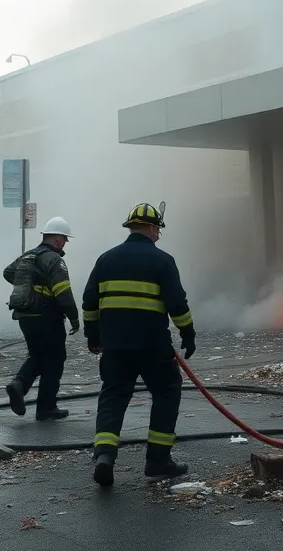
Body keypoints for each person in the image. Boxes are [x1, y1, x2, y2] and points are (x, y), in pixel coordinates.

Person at [82, 203, 195, 487]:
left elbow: (89, 302)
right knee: (167, 391)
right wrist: (188, 333)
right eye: (158, 230)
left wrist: (93, 336)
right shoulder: (162, 261)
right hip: (152, 345)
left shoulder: (105, 260)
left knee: (113, 396)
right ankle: (157, 461)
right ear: (151, 228)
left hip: (115, 347)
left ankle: (105, 456)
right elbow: (177, 304)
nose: (158, 235)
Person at [4, 216, 80, 421]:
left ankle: (19, 385)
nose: (64, 243)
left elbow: (8, 272)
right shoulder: (54, 260)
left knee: (39, 355)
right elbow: (64, 293)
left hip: (24, 316)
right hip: (47, 317)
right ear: (56, 238)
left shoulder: (27, 256)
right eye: (64, 239)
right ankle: (46, 407)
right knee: (55, 359)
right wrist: (74, 319)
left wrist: (28, 283)